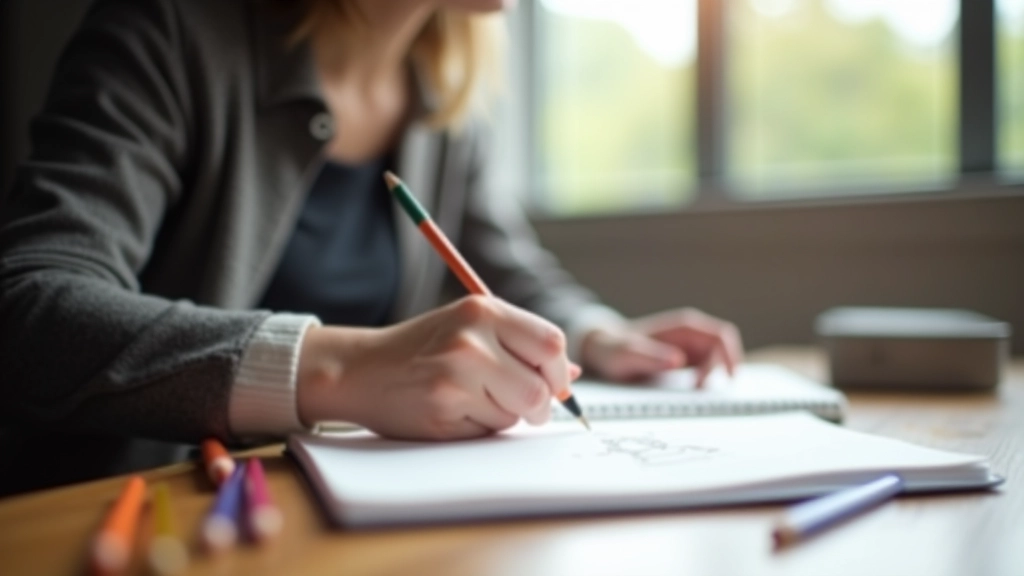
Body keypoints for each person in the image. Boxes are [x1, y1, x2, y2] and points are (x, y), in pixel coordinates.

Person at [0, 0, 742, 493]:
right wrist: (346, 369)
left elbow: (504, 274)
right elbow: (30, 306)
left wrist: (596, 334)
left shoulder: (440, 90)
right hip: (155, 513)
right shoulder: (168, 31)